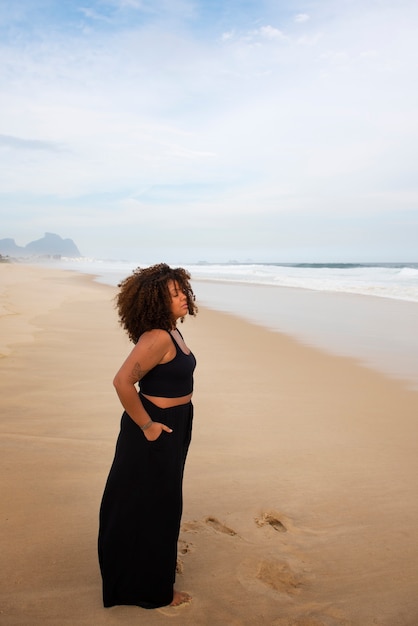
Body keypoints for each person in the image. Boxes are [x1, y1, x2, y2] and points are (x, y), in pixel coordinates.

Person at [98, 263, 198, 609]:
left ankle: (145, 581)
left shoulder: (172, 331)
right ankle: (154, 592)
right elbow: (122, 382)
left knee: (159, 505)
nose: (183, 296)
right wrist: (147, 426)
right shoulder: (157, 337)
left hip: (174, 423)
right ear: (157, 300)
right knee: (154, 508)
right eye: (174, 294)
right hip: (155, 426)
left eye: (182, 290)